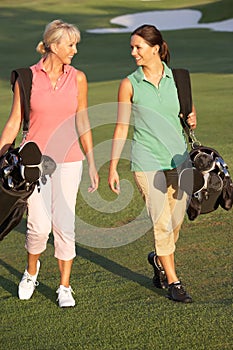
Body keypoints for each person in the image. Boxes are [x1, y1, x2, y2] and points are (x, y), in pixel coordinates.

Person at [0, 19, 99, 307]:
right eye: (70, 45)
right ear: (53, 45)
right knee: (39, 227)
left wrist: (92, 162)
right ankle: (31, 272)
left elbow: (83, 120)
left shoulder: (78, 78)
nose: (75, 50)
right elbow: (14, 122)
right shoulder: (26, 77)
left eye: (76, 44)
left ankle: (64, 286)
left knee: (65, 226)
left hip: (69, 161)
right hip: (35, 164)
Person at [108, 24, 196, 303]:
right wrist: (111, 165)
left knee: (175, 221)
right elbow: (122, 127)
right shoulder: (129, 84)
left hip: (179, 160)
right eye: (132, 48)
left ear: (155, 48)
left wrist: (192, 119)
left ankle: (158, 259)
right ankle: (173, 281)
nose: (133, 52)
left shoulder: (179, 78)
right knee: (161, 221)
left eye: (138, 47)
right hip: (146, 161)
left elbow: (187, 113)